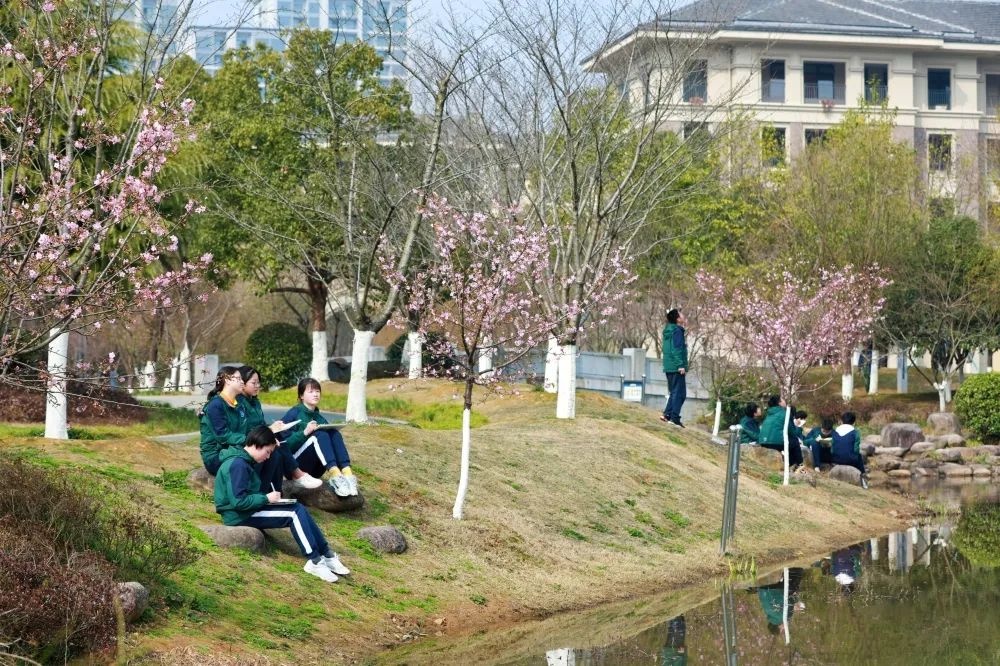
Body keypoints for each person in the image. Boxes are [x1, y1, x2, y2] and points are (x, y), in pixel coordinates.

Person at [213, 426, 351, 582]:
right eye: (267, 452)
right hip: (238, 515)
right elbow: (238, 502)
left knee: (298, 508)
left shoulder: (244, 461)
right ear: (257, 445)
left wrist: (267, 499)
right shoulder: (238, 465)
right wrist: (266, 498)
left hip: (248, 510)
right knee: (293, 513)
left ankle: (327, 554)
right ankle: (314, 561)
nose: (268, 457)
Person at [238, 365, 322, 492]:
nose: (257, 386)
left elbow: (260, 424)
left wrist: (272, 427)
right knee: (276, 440)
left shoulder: (255, 402)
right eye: (254, 383)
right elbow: (245, 428)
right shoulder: (239, 403)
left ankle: (281, 490)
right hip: (248, 440)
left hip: (257, 437)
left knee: (277, 447)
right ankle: (297, 474)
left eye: (259, 383)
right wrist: (269, 430)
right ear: (242, 383)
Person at [280, 378, 358, 497]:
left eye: (317, 391)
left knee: (334, 433)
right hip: (295, 467)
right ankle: (335, 476)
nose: (315, 394)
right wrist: (304, 433)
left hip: (315, 469)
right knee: (320, 435)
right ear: (301, 396)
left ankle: (347, 474)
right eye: (311, 391)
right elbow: (283, 445)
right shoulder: (293, 413)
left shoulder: (319, 417)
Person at [200, 366, 250, 475]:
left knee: (272, 454)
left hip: (235, 449)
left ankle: (266, 486)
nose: (242, 382)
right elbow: (223, 436)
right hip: (216, 455)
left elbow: (245, 429)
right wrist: (250, 439)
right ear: (227, 380)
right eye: (238, 379)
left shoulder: (239, 404)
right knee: (252, 458)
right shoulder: (215, 405)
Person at [660, 308, 688, 428]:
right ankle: (674, 418)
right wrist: (680, 365)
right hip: (676, 366)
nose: (683, 316)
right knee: (680, 393)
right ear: (677, 319)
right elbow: (676, 349)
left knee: (674, 392)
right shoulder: (677, 331)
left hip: (669, 366)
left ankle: (667, 414)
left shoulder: (668, 330)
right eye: (681, 315)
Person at [758, 395, 803, 468]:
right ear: (779, 403)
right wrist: (797, 426)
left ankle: (791, 465)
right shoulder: (785, 413)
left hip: (763, 442)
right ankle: (798, 465)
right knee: (794, 441)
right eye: (783, 400)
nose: (785, 401)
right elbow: (792, 432)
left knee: (790, 441)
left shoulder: (768, 414)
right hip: (775, 443)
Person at [831, 411, 868, 487]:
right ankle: (863, 479)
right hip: (850, 460)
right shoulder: (855, 432)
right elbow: (856, 450)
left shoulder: (834, 431)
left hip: (835, 459)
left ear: (842, 421)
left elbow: (832, 448)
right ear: (854, 422)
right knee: (859, 456)